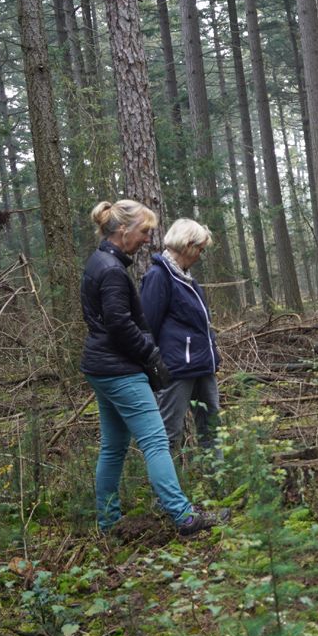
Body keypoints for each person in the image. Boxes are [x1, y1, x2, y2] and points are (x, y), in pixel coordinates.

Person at [80, 200, 226, 536]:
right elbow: (120, 323)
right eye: (144, 231)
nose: (148, 238)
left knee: (113, 446)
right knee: (157, 442)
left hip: (101, 366)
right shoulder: (113, 271)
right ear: (123, 230)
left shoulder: (99, 262)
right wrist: (151, 355)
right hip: (119, 369)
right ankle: (183, 516)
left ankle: (108, 522)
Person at [140, 218, 221, 458]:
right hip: (176, 370)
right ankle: (162, 483)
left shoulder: (187, 279)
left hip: (203, 366)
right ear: (187, 245)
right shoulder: (158, 276)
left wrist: (213, 354)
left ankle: (218, 479)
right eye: (200, 249)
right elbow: (147, 326)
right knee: (167, 434)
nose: (200, 255)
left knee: (212, 429)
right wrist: (156, 367)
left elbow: (201, 325)